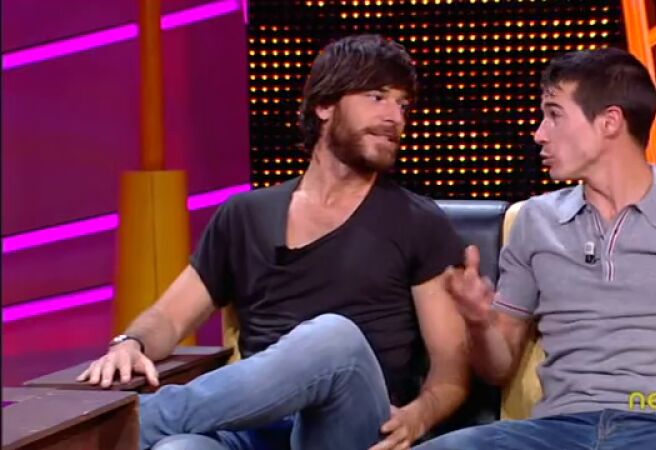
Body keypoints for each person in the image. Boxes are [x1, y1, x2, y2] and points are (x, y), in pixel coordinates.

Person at [78, 34, 470, 450]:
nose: (395, 117)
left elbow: (452, 370)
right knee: (179, 449)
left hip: (351, 429)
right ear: (324, 105)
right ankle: (134, 432)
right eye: (377, 97)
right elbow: (170, 318)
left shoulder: (418, 221)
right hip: (256, 428)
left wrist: (419, 415)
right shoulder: (245, 215)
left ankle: (123, 429)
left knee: (333, 338)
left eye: (403, 105)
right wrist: (131, 342)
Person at [417, 47, 656, 450]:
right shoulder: (536, 221)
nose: (539, 134)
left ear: (609, 122)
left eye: (554, 114)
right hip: (555, 432)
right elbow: (497, 368)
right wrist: (480, 323)